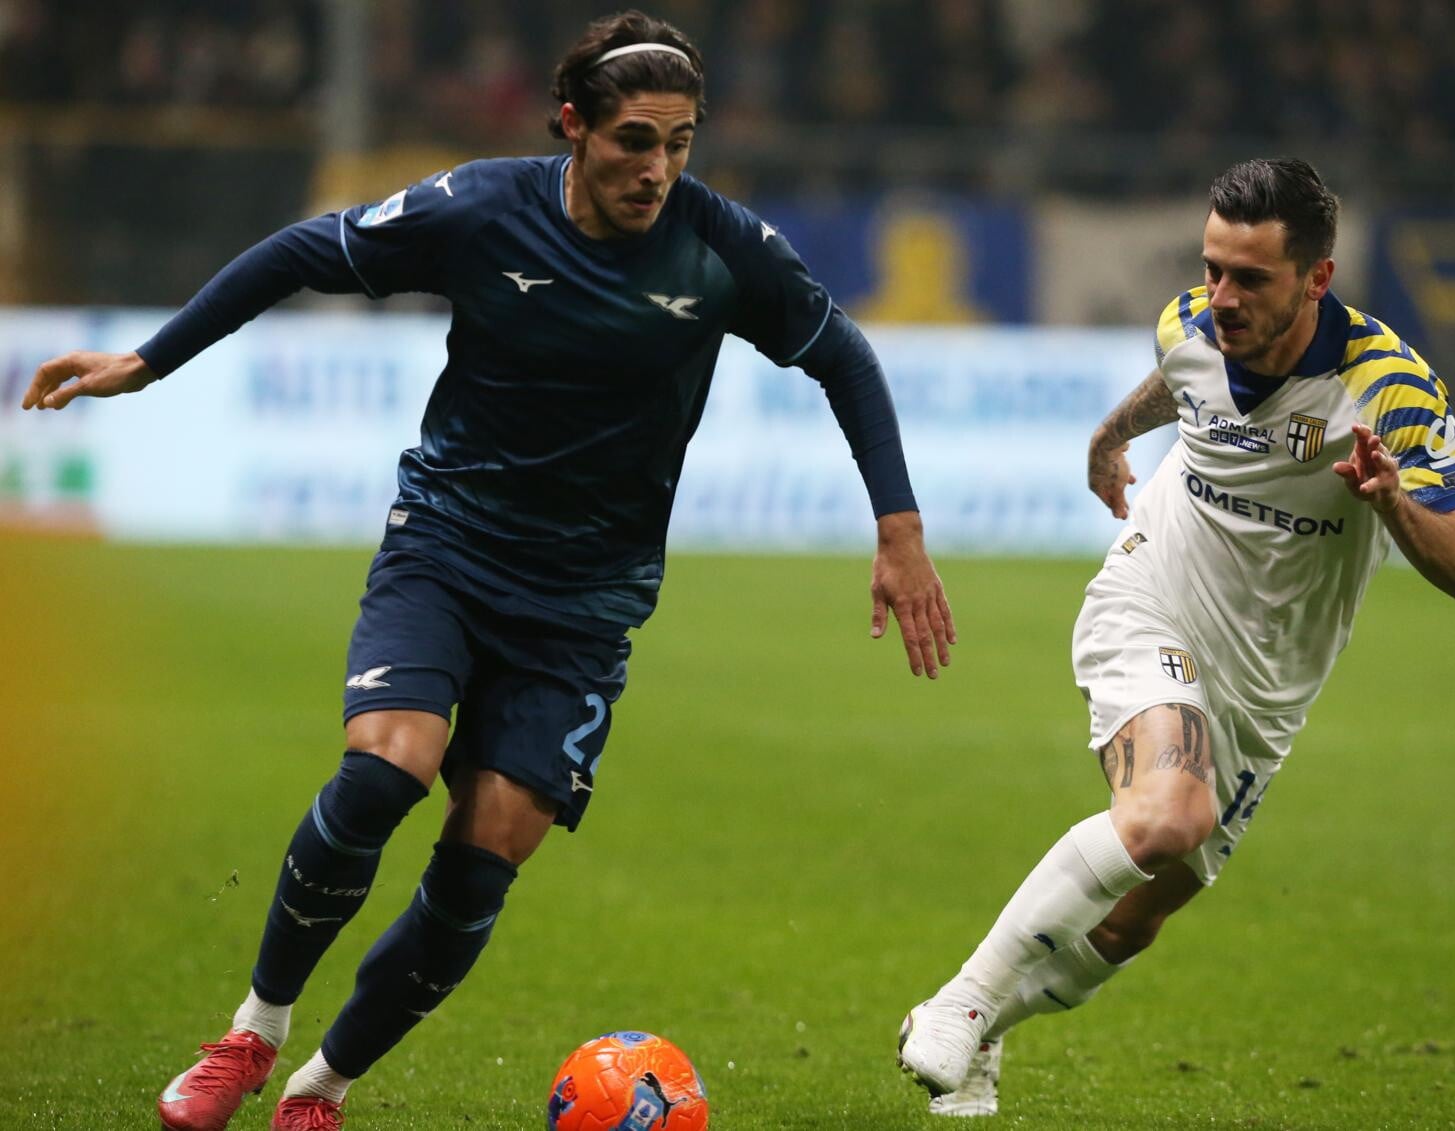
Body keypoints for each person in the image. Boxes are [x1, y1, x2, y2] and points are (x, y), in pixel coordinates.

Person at [24, 12, 956, 1130]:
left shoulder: (721, 250)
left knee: (482, 862)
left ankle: (322, 1089)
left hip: (585, 605)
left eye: (679, 143)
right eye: (633, 141)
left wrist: (899, 530)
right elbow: (306, 251)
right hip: (449, 548)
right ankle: (251, 1035)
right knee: (386, 770)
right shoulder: (480, 208)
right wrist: (149, 360)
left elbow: (841, 354)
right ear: (572, 126)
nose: (657, 169)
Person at [896, 157, 1455, 1116]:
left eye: (1250, 278)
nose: (1221, 297)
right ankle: (965, 1000)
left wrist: (1393, 503)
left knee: (1129, 925)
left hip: (1266, 687)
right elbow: (1179, 378)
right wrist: (1110, 434)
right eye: (1212, 268)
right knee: (1170, 814)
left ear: (1317, 277)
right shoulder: (1192, 323)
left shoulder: (1389, 388)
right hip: (1153, 599)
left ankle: (986, 1027)